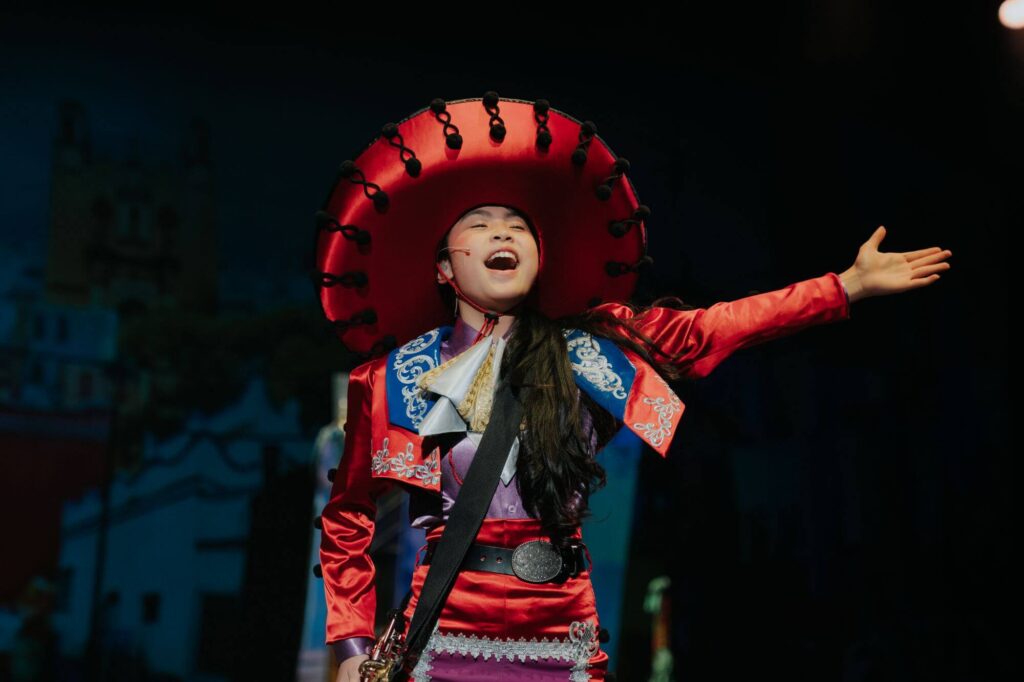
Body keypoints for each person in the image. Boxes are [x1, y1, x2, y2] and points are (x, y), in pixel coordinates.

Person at [313, 94, 951, 681]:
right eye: (480, 224)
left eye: (518, 225)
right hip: (443, 634)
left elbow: (713, 327)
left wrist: (844, 287)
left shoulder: (594, 350)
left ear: (539, 258)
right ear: (443, 267)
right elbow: (346, 520)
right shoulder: (394, 379)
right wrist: (351, 647)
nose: (503, 232)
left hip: (559, 633)